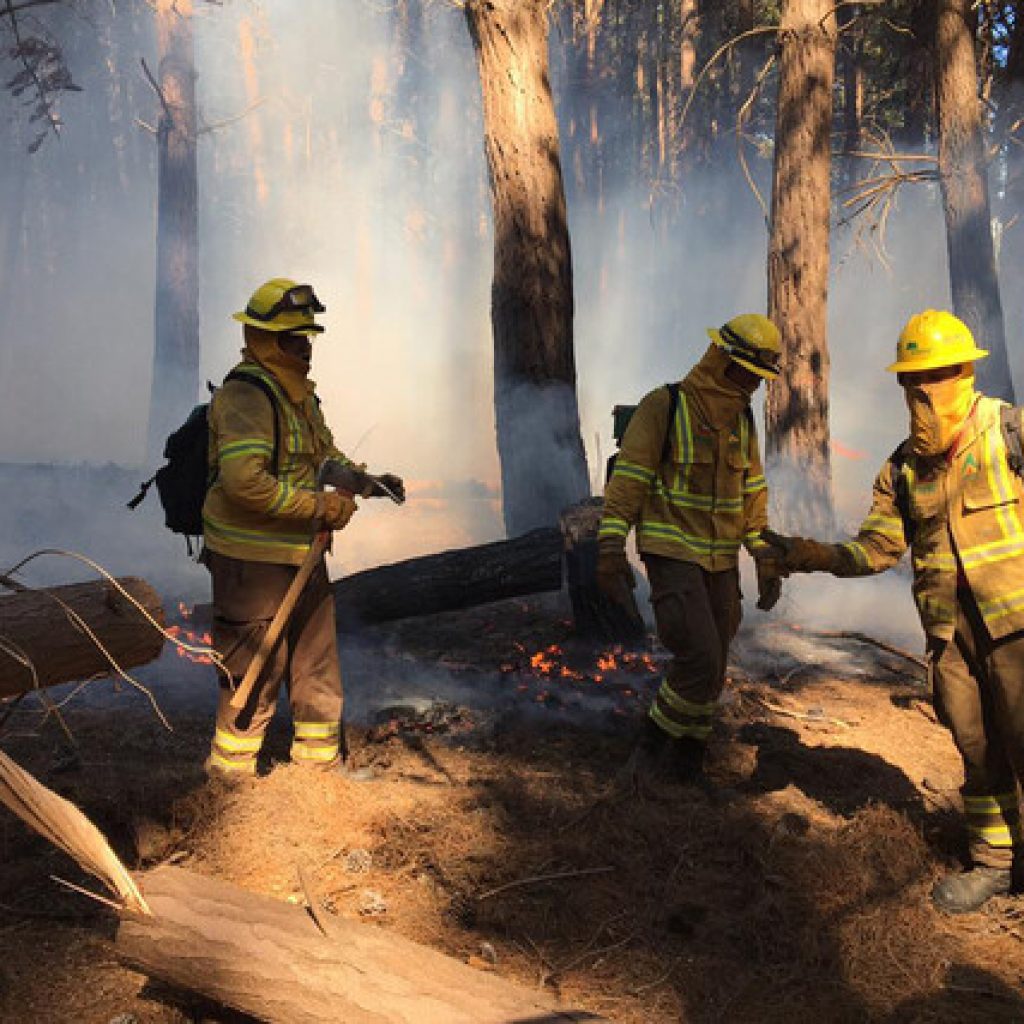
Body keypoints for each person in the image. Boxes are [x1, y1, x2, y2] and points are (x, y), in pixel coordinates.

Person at [763, 309, 1023, 913]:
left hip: (1016, 631)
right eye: (910, 380)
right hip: (950, 635)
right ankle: (994, 863)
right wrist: (804, 553)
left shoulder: (1007, 431)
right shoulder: (903, 467)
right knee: (975, 746)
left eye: (933, 376)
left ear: (964, 372)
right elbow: (876, 548)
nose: (921, 391)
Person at [201, 277, 404, 778]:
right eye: (296, 339)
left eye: (309, 337)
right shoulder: (245, 397)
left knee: (316, 664)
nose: (307, 348)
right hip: (253, 562)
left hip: (302, 555)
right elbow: (244, 485)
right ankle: (229, 779)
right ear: (267, 340)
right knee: (254, 670)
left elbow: (321, 457)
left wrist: (363, 481)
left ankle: (318, 771)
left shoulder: (299, 397)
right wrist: (321, 508)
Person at [596, 314, 785, 787]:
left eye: (760, 380)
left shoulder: (741, 419)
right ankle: (646, 755)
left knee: (715, 663)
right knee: (699, 657)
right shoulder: (666, 405)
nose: (753, 388)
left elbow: (752, 491)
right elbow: (630, 480)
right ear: (721, 360)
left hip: (721, 559)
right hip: (671, 551)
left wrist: (763, 554)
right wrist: (609, 548)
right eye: (747, 375)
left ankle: (687, 767)